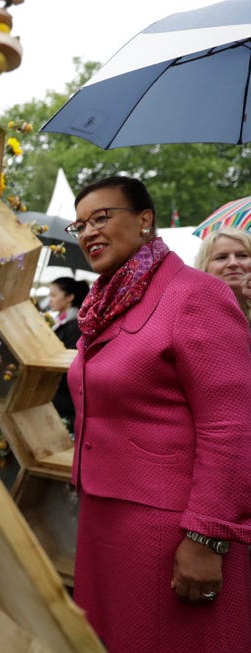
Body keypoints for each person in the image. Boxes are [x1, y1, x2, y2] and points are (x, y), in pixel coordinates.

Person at [66, 175, 251, 652]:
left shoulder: (196, 294)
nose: (89, 232)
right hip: (104, 516)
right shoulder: (106, 301)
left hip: (169, 527)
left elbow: (231, 427)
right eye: (80, 224)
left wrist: (207, 536)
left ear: (145, 220)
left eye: (102, 217)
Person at [46, 276, 89, 428]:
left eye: (53, 295)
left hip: (63, 398)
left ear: (69, 297)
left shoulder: (75, 327)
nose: (50, 299)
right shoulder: (61, 322)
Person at [194, 226, 251, 325]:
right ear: (204, 266)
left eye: (242, 255)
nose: (233, 263)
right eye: (221, 257)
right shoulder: (193, 312)